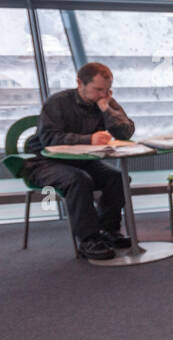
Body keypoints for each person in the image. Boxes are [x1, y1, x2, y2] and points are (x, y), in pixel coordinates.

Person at [24, 62, 135, 260]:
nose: (103, 94)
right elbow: (48, 138)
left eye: (107, 89)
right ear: (79, 83)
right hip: (45, 162)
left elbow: (126, 132)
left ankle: (109, 231)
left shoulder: (105, 100)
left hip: (83, 160)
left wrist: (106, 109)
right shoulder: (57, 103)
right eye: (98, 89)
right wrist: (88, 139)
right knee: (79, 180)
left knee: (116, 177)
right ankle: (89, 239)